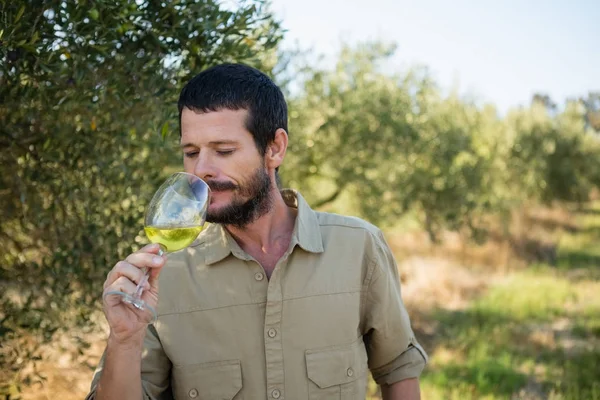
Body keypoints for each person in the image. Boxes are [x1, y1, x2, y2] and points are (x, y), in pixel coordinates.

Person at [86, 63, 427, 400]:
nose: (201, 169)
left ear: (275, 148)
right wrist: (124, 340)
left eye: (224, 151)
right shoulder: (165, 277)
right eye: (191, 152)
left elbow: (398, 370)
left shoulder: (358, 248)